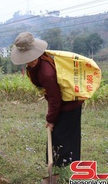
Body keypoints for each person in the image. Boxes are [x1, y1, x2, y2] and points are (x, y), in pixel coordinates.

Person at [10, 31, 84, 167]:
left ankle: (64, 168)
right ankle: (61, 165)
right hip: (62, 102)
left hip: (69, 104)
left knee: (62, 137)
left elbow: (55, 99)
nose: (28, 61)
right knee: (61, 136)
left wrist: (50, 120)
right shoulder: (41, 60)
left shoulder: (46, 73)